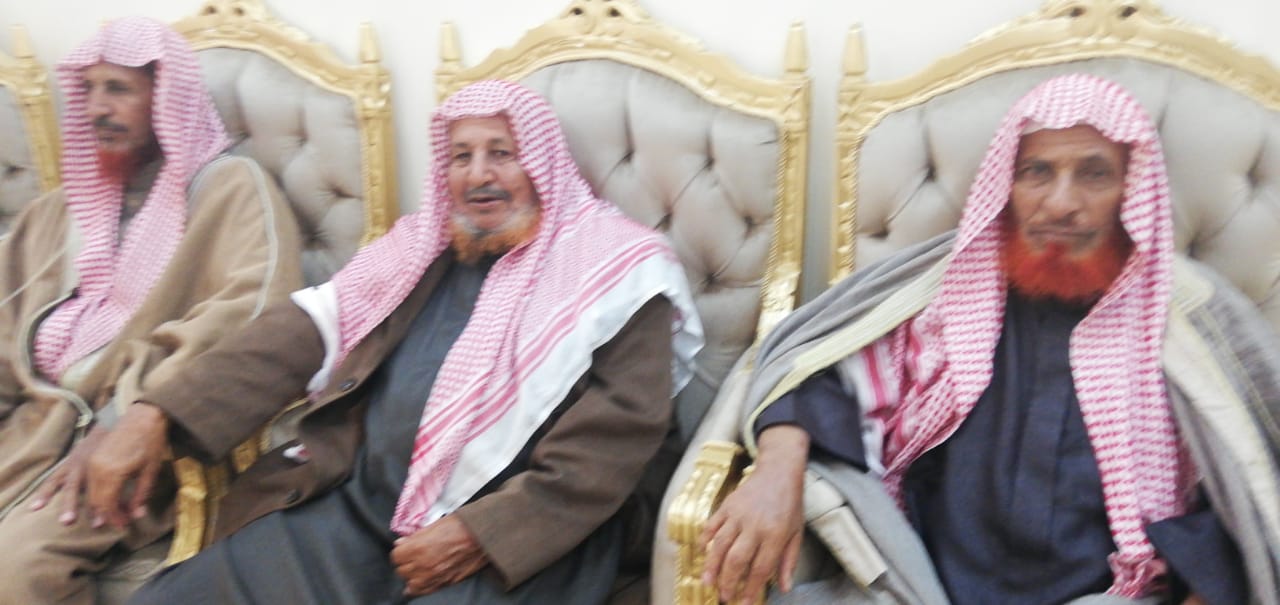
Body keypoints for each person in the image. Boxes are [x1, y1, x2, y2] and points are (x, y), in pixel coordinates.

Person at [86, 79, 703, 605]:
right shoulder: (420, 250)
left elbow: (613, 443)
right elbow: (300, 332)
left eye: (501, 154)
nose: (478, 175)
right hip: (359, 505)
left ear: (543, 165)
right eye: (460, 157)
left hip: (521, 535)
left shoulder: (620, 272)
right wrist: (155, 414)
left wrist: (482, 533)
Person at [701, 74, 1278, 605]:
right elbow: (814, 371)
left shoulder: (1192, 319)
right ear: (1008, 183)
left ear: (1132, 188)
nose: (1062, 203)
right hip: (922, 589)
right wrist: (777, 468)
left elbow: (1248, 481)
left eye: (1094, 174)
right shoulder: (941, 296)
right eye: (1038, 172)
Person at [0, 16, 303, 605]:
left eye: (118, 89)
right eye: (89, 90)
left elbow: (255, 318)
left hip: (137, 445)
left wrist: (133, 410)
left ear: (166, 99)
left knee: (14, 573)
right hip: (29, 432)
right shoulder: (57, 212)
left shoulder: (230, 190)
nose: (97, 107)